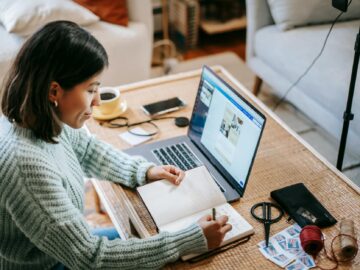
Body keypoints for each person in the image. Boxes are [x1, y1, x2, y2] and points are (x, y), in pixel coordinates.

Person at [0, 21, 232, 269]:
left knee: (145, 234)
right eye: (91, 90)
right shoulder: (27, 166)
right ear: (54, 91)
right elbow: (90, 257)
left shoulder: (43, 117)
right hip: (47, 265)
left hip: (60, 251)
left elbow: (88, 151)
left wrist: (143, 171)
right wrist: (186, 241)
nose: (97, 101)